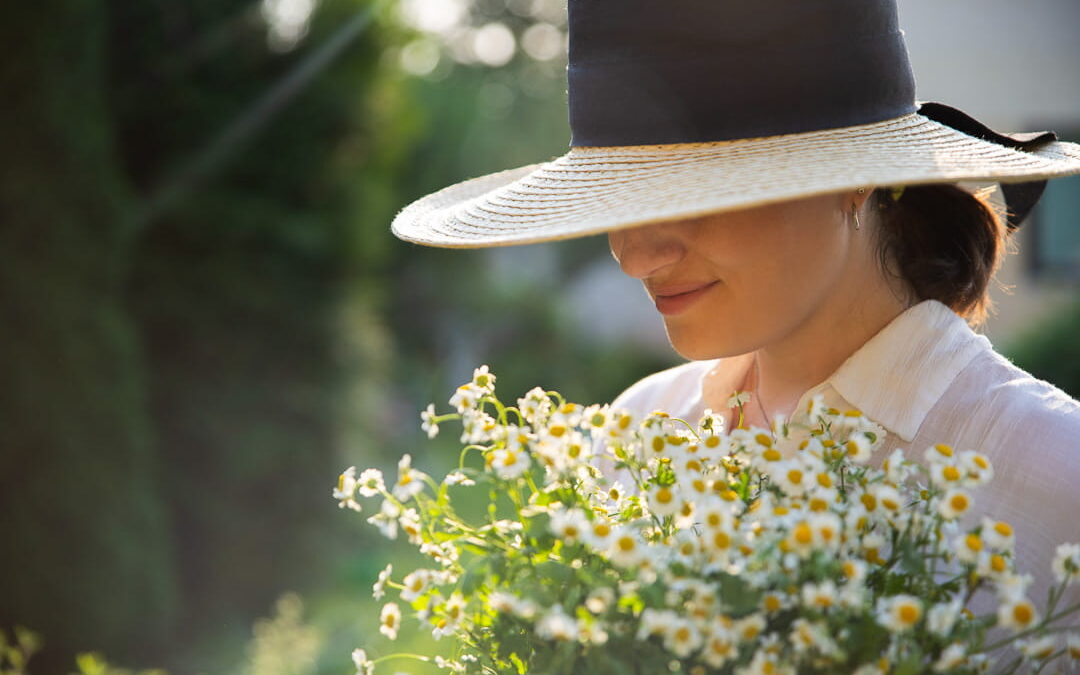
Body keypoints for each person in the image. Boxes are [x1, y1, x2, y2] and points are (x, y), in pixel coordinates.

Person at [390, 0, 1080, 645]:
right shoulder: (639, 435)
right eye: (617, 200)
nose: (635, 256)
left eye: (694, 193)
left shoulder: (1056, 481)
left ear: (852, 176)